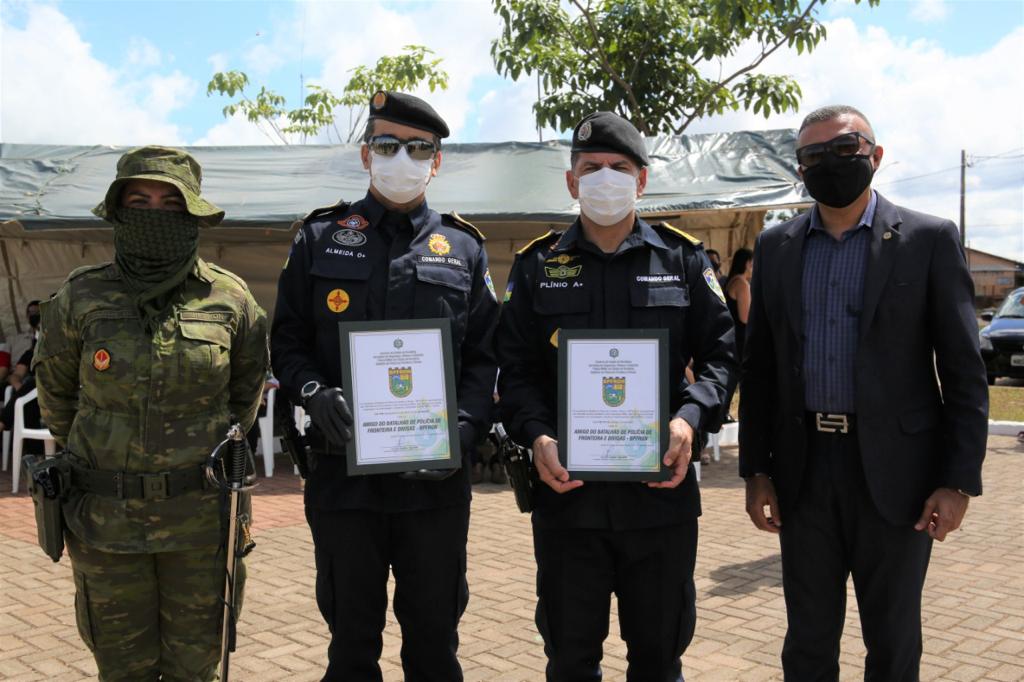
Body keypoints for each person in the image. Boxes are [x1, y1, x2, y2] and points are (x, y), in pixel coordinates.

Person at [739, 105, 987, 680]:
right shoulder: (776, 247)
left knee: (893, 639)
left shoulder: (927, 239)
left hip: (899, 475)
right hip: (804, 473)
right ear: (799, 170)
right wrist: (756, 469)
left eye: (845, 149)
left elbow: (964, 371)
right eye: (813, 156)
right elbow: (761, 367)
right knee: (807, 638)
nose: (830, 163)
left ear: (875, 155)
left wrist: (957, 480)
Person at [496, 111, 736, 681]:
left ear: (642, 179)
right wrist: (536, 435)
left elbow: (724, 356)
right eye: (592, 168)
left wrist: (689, 418)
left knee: (657, 659)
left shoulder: (682, 259)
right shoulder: (536, 267)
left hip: (659, 497)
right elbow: (517, 368)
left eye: (619, 167)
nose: (606, 177)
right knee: (571, 660)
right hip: (568, 499)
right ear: (572, 182)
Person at [271, 90, 499, 681]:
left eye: (418, 147)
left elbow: (486, 356)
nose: (403, 157)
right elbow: (288, 341)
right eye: (388, 144)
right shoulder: (318, 239)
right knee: (350, 649)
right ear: (366, 154)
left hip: (435, 485)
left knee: (433, 649)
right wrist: (315, 393)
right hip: (343, 481)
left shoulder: (465, 249)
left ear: (437, 161)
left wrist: (467, 428)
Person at [33, 146, 269, 682]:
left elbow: (243, 404)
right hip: (106, 526)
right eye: (139, 200)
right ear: (118, 210)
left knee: (196, 668)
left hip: (201, 525)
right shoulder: (80, 295)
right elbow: (58, 400)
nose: (154, 212)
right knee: (121, 670)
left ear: (192, 213)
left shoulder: (230, 300)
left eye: (171, 203)